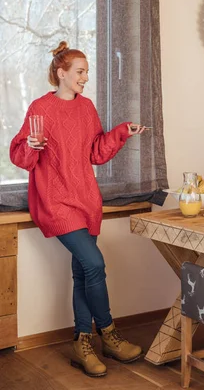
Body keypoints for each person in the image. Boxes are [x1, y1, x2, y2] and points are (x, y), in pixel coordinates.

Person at [10, 41, 148, 378]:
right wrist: (30, 145)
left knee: (82, 272)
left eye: (87, 72)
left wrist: (121, 132)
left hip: (86, 199)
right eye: (80, 72)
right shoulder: (40, 108)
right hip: (55, 201)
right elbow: (21, 156)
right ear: (62, 73)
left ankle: (81, 342)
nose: (86, 78)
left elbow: (97, 153)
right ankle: (110, 333)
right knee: (95, 264)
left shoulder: (86, 108)